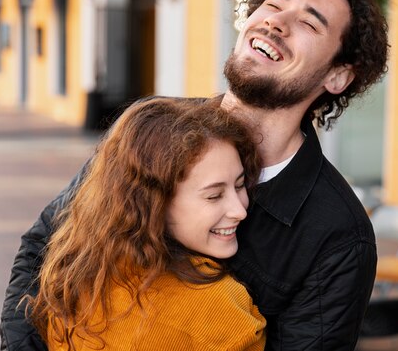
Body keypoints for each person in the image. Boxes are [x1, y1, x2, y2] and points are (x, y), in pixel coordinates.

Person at [0, 0, 388, 351]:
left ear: (338, 75)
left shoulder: (338, 236)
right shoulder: (149, 131)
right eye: (272, 4)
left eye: (309, 22)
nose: (275, 21)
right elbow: (42, 247)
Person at [27, 97, 266, 350]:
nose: (240, 210)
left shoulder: (75, 273)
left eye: (240, 185)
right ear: (155, 204)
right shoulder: (218, 308)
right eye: (214, 195)